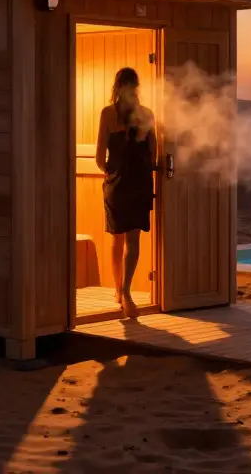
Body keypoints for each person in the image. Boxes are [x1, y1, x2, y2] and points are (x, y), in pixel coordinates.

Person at [95, 67, 156, 319]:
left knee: (117, 238)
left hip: (119, 182)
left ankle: (122, 291)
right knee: (130, 240)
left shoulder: (109, 114)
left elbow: (100, 156)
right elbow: (152, 156)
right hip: (136, 181)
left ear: (116, 87)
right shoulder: (147, 114)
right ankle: (125, 290)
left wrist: (108, 173)